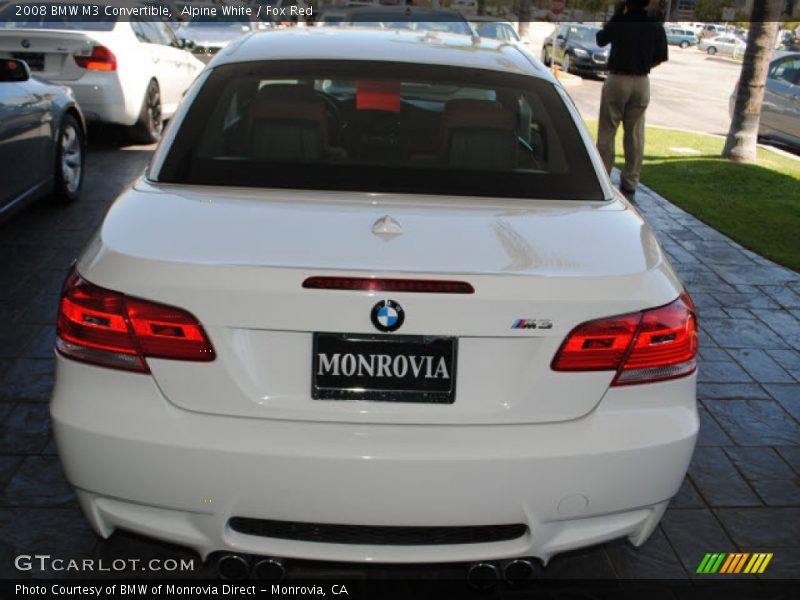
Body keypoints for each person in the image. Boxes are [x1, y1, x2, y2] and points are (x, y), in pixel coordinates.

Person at [595, 0, 668, 200]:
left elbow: (601, 39)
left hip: (617, 78)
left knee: (607, 131)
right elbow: (661, 56)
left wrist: (617, 14)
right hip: (642, 81)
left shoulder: (621, 21)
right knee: (635, 134)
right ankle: (630, 181)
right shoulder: (654, 26)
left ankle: (603, 177)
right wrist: (644, 63)